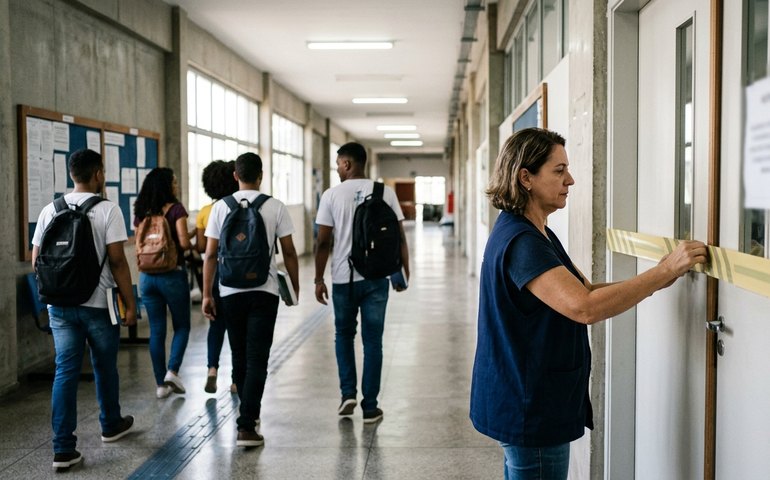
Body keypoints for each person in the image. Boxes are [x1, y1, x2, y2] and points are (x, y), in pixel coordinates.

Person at [469, 128, 708, 480]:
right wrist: (662, 272)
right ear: (526, 178)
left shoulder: (536, 232)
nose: (571, 180)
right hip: (529, 405)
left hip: (526, 397)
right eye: (559, 170)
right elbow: (584, 306)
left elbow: (586, 289)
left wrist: (660, 277)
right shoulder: (523, 242)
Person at [31, 148, 137, 470]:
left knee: (65, 371)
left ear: (71, 174)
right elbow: (118, 261)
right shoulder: (108, 210)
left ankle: (63, 449)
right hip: (98, 305)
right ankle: (111, 424)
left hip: (60, 307)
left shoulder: (51, 210)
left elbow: (36, 261)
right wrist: (130, 303)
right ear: (99, 174)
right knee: (105, 365)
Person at [202, 152, 299, 448]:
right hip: (264, 291)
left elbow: (210, 255)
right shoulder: (275, 206)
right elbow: (289, 251)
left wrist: (206, 294)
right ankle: (247, 423)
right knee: (258, 357)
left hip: (229, 291)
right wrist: (294, 286)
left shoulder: (220, 207)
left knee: (239, 354)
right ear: (261, 175)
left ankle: (247, 415)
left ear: (235, 175)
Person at [314, 142, 410, 423]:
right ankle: (370, 407)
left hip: (343, 279)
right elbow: (399, 236)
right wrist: (403, 272)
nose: (337, 169)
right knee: (373, 341)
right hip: (377, 277)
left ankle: (348, 394)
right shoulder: (385, 192)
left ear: (347, 164)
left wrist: (318, 279)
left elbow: (323, 242)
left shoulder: (331, 195)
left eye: (338, 164)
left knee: (344, 335)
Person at [134, 167, 192, 399]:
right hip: (172, 274)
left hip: (147, 277)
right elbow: (184, 244)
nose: (176, 186)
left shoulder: (141, 211)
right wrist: (193, 237)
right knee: (182, 326)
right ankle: (172, 371)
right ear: (167, 186)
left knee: (156, 330)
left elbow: (139, 242)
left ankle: (161, 385)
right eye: (174, 182)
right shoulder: (176, 209)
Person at [195, 160, 239, 394]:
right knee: (236, 327)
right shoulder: (237, 207)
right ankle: (235, 379)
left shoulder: (206, 212)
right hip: (236, 271)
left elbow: (203, 248)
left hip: (214, 272)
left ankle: (212, 369)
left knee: (215, 323)